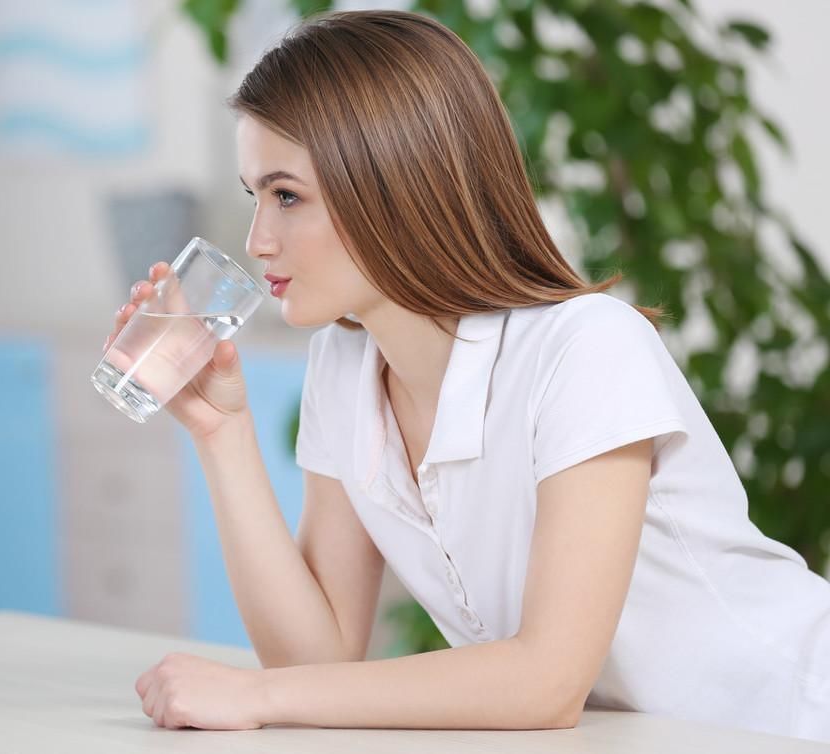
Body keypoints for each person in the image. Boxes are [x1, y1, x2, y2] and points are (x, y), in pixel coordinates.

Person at [113, 9, 830, 741]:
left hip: (796, 718)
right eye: (252, 195)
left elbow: (545, 683)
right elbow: (314, 656)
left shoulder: (587, 349)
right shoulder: (346, 361)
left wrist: (253, 698)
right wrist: (220, 431)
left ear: (393, 187)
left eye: (287, 195)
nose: (258, 239)